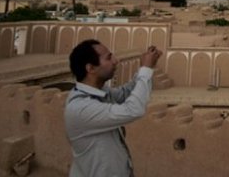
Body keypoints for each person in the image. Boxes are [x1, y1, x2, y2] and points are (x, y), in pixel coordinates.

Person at [65, 39, 163, 177]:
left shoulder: (99, 92)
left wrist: (146, 67)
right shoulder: (81, 107)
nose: (115, 61)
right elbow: (133, 110)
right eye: (109, 57)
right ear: (90, 68)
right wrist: (145, 70)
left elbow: (123, 94)